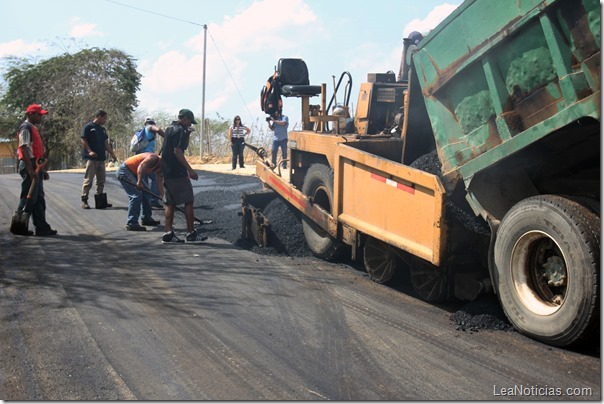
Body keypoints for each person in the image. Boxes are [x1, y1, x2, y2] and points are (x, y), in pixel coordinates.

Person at [159, 109, 207, 244]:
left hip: (167, 171)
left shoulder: (169, 129)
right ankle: (191, 233)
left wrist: (188, 135)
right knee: (189, 201)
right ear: (185, 119)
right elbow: (178, 151)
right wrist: (190, 170)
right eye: (190, 122)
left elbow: (181, 146)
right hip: (177, 172)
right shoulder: (180, 130)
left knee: (170, 203)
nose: (190, 124)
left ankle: (168, 233)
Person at [12, 104, 58, 236]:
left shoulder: (32, 128)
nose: (41, 117)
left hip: (35, 165)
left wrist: (41, 170)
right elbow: (24, 148)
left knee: (38, 197)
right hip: (29, 165)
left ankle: (42, 227)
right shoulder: (25, 128)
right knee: (29, 196)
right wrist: (30, 169)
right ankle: (19, 226)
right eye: (39, 114)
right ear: (31, 114)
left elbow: (36, 152)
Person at [80, 109, 117, 209]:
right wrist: (89, 151)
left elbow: (106, 143)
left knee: (101, 180)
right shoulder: (88, 127)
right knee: (88, 180)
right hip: (92, 159)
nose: (105, 120)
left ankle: (100, 201)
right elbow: (83, 139)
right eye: (104, 118)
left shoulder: (102, 129)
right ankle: (84, 200)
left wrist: (112, 154)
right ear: (99, 116)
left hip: (101, 158)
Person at [116, 152, 163, 231]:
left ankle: (146, 218)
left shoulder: (161, 165)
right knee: (136, 194)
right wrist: (139, 182)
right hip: (124, 171)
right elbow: (141, 167)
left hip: (133, 172)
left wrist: (162, 196)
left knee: (147, 193)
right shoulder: (153, 158)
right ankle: (131, 223)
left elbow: (159, 180)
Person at [134, 117, 165, 208]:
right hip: (148, 158)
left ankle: (145, 202)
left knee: (144, 181)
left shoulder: (143, 131)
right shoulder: (150, 127)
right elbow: (158, 129)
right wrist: (167, 137)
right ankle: (153, 200)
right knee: (156, 178)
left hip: (141, 157)